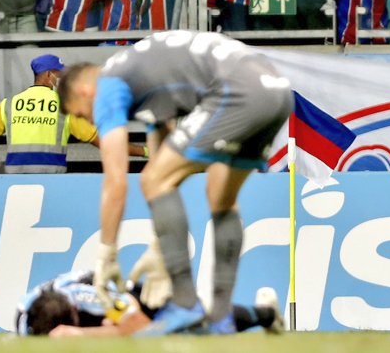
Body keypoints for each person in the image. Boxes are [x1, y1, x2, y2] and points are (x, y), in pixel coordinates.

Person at [58, 31, 294, 334]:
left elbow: (116, 182)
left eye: (83, 115)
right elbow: (164, 154)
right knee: (221, 198)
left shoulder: (107, 86)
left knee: (152, 180)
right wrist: (160, 245)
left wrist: (107, 253)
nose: (92, 122)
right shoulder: (142, 71)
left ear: (84, 91)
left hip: (237, 93)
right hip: (276, 94)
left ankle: (184, 302)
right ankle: (221, 316)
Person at [17, 271, 282, 336]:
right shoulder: (24, 318)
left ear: (75, 311)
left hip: (136, 301)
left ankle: (267, 314)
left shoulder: (92, 298)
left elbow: (141, 327)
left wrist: (82, 334)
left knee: (201, 327)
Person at [0, 55, 103, 171]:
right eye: (60, 75)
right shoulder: (65, 105)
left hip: (16, 180)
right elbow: (96, 139)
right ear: (49, 75)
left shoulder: (10, 104)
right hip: (52, 179)